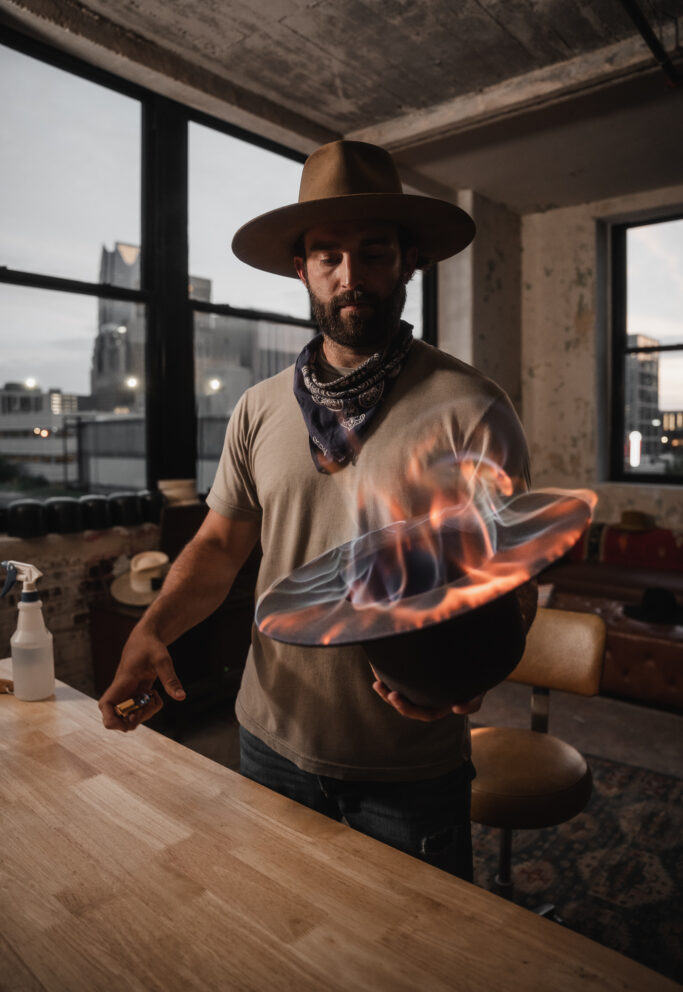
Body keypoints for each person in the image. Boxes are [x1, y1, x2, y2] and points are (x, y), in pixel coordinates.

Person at [99, 140, 536, 882]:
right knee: (285, 941)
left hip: (407, 759)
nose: (350, 276)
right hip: (270, 737)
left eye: (372, 253)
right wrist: (152, 629)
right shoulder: (259, 408)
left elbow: (509, 580)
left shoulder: (470, 408)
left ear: (407, 262)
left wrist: (468, 674)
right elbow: (218, 545)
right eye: (327, 256)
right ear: (300, 269)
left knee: (413, 963)